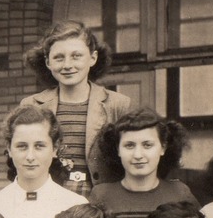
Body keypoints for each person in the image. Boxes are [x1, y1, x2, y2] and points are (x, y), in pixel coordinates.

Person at [17, 20, 133, 198]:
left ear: (92, 58)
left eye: (76, 56)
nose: (67, 65)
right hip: (49, 197)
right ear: (48, 62)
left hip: (101, 200)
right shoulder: (31, 105)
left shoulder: (117, 105)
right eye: (58, 57)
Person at [90, 108, 196, 218]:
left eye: (147, 145)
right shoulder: (101, 195)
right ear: (117, 149)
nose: (138, 155)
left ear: (163, 147)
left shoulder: (179, 193)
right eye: (129, 145)